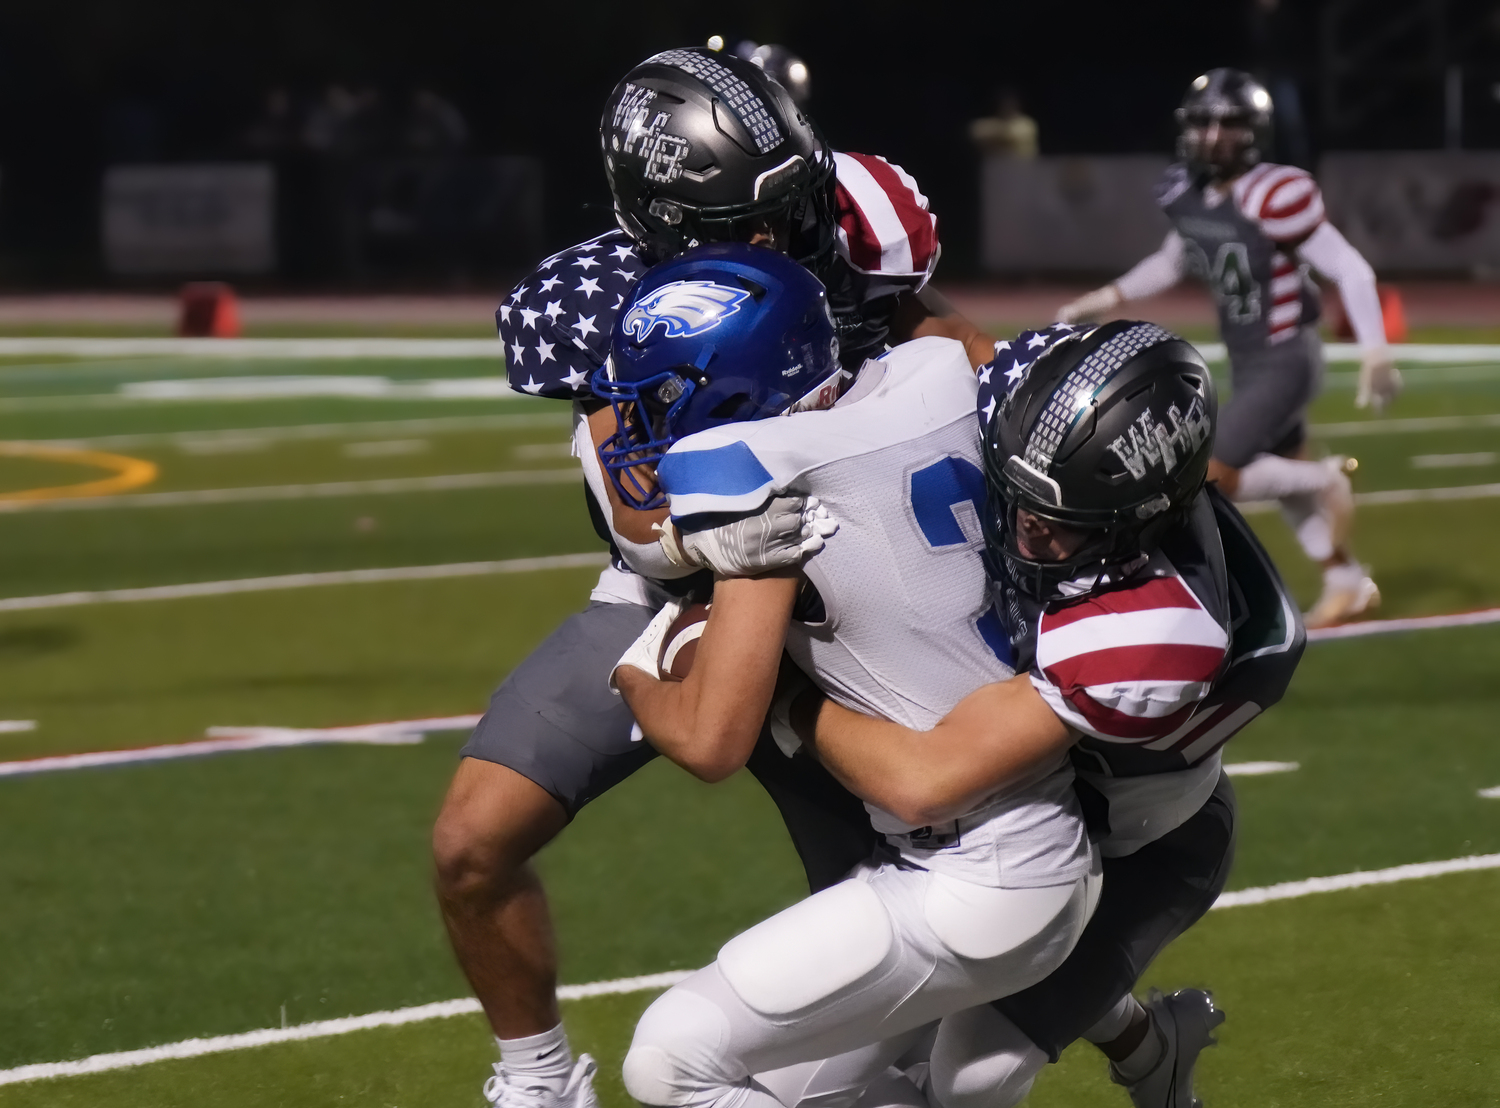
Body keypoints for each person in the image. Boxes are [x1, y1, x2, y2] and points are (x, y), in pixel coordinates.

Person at [432, 46, 993, 1108]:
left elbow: (958, 346)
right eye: (741, 221)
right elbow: (643, 524)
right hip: (686, 587)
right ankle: (539, 1079)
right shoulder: (596, 297)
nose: (775, 239)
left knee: (905, 901)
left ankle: (1091, 1035)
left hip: (849, 593)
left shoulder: (850, 221)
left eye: (784, 208)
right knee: (472, 840)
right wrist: (742, 539)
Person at [763, 322, 1304, 1108]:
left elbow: (928, 778)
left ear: (1141, 517)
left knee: (968, 1074)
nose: (1028, 529)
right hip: (1034, 814)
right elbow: (955, 339)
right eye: (1018, 496)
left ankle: (1144, 1046)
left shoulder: (1156, 623)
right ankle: (1154, 1049)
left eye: (1067, 519)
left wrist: (784, 698)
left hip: (1137, 849)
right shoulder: (1047, 442)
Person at [609, 245, 1096, 1108]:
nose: (646, 425)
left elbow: (710, 739)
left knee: (670, 1061)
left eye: (663, 396)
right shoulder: (938, 369)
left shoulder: (744, 466)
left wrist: (643, 666)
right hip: (1036, 843)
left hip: (971, 877)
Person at [1055, 67, 1395, 629]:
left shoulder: (1273, 192)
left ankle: (1329, 478)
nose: (1214, 136)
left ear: (1255, 131)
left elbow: (1352, 270)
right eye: (1204, 122)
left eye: (1229, 124)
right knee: (1283, 481)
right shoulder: (1188, 191)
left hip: (1285, 355)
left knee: (1207, 474)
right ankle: (1347, 582)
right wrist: (1106, 296)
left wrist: (1376, 351)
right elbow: (1172, 261)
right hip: (1249, 356)